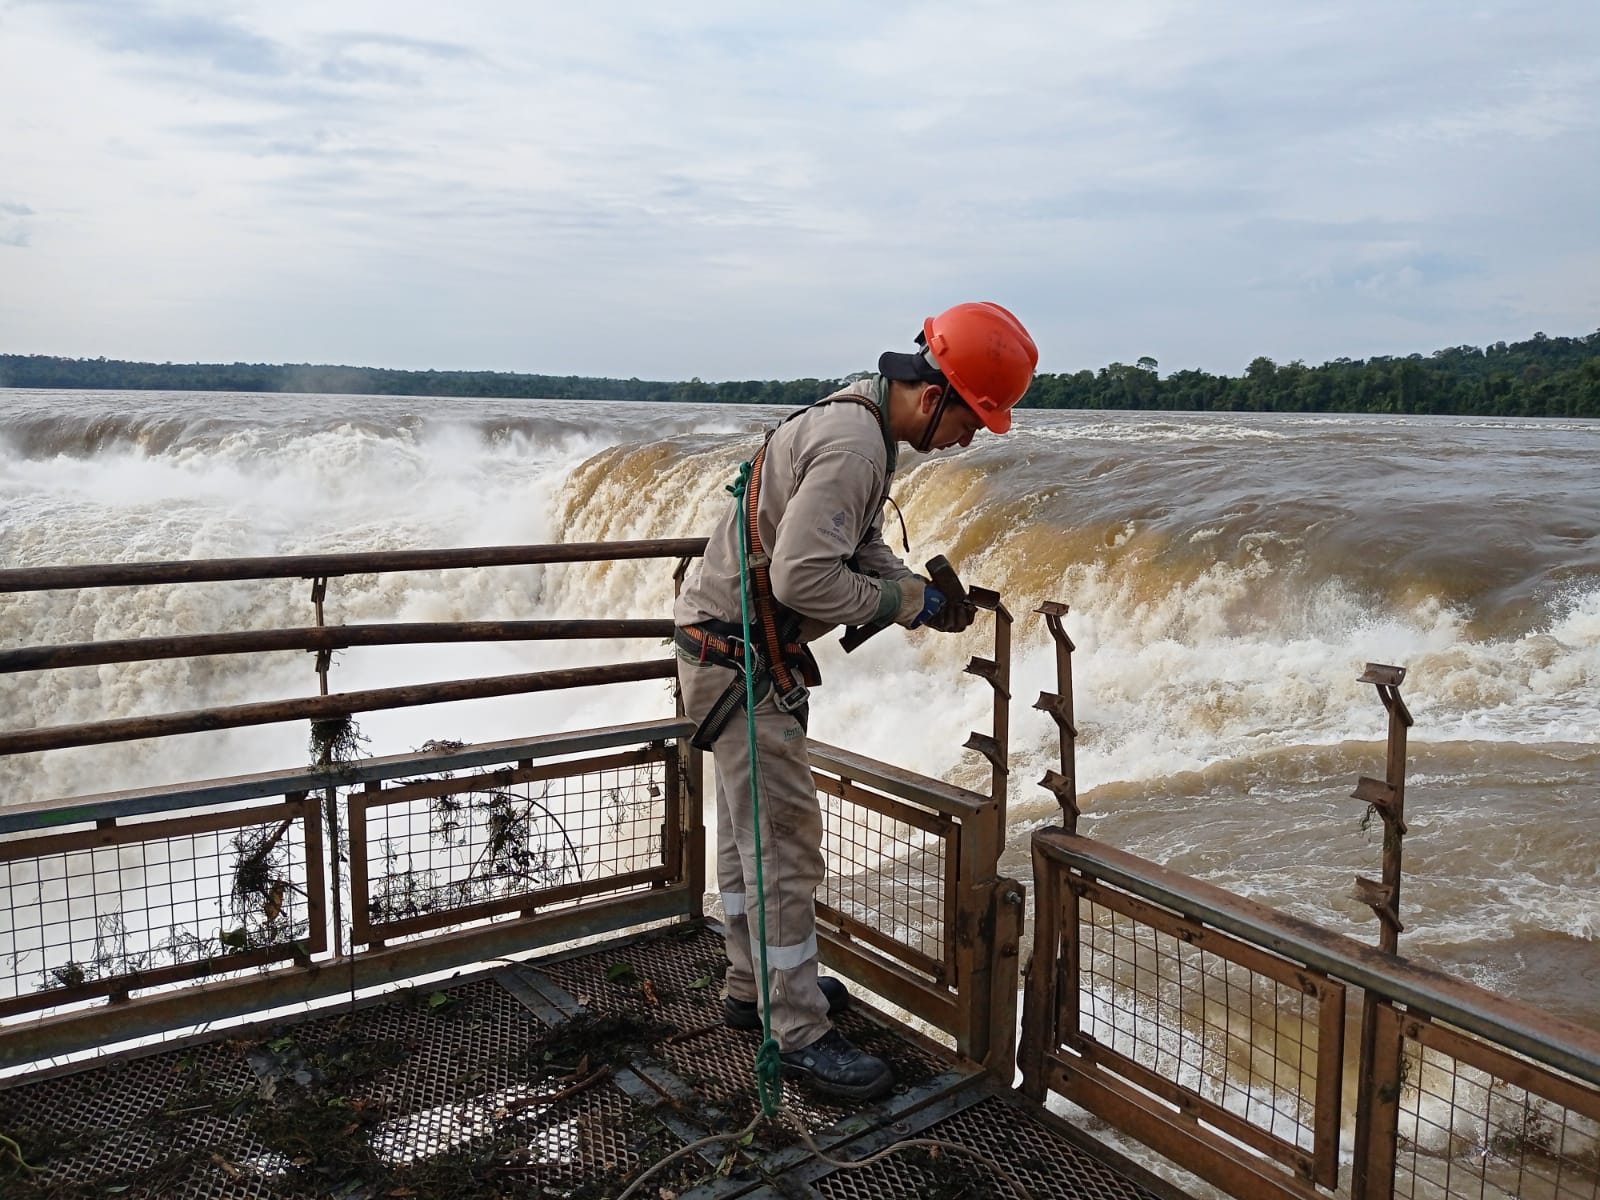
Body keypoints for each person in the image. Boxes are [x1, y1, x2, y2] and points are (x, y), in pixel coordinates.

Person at [673, 302, 1038, 1101]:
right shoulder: (852, 447)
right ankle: (797, 1030)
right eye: (973, 418)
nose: (971, 439)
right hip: (740, 661)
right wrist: (905, 606)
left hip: (728, 649)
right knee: (784, 844)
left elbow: (846, 546)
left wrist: (905, 584)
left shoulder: (862, 418)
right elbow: (805, 578)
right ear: (933, 392)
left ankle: (753, 989)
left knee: (746, 838)